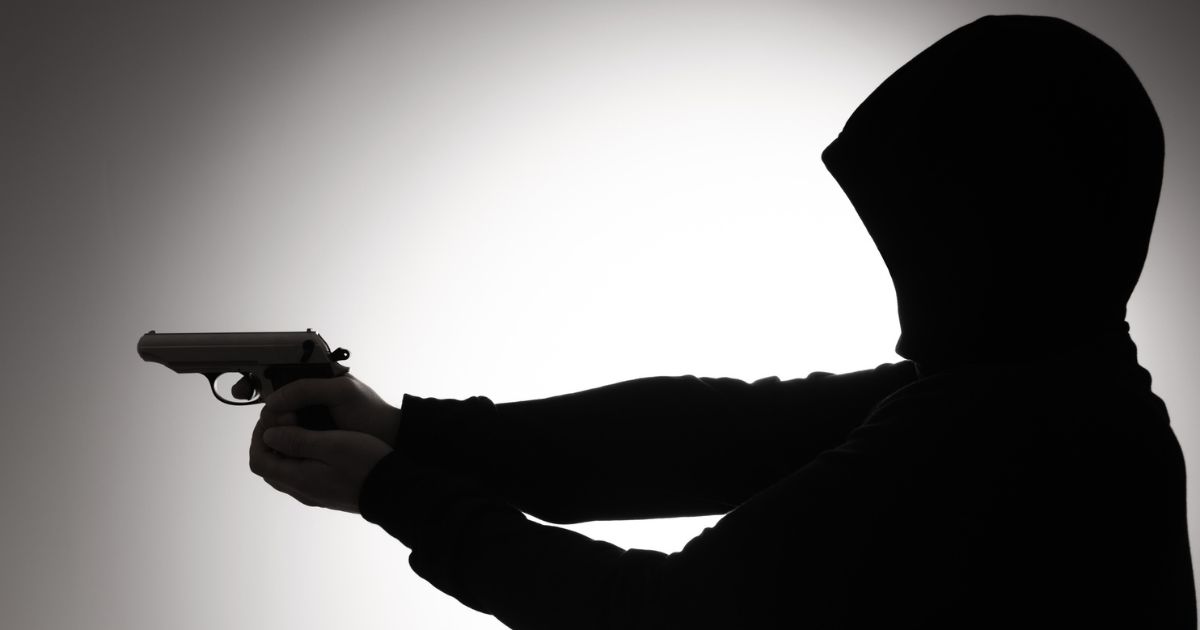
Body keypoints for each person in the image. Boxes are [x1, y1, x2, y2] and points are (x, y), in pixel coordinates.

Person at [248, 15, 1196, 628]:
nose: (908, 317)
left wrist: (397, 491)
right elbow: (709, 432)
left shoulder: (1014, 426)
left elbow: (659, 618)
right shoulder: (1033, 386)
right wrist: (412, 432)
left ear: (1006, 225)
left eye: (923, 240)